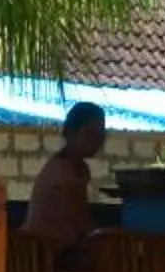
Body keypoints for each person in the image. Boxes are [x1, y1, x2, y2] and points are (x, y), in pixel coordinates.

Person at [24, 101, 107, 252]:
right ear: (71, 132)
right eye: (90, 134)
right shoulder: (62, 172)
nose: (97, 141)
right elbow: (82, 219)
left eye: (101, 135)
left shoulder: (80, 168)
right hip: (43, 253)